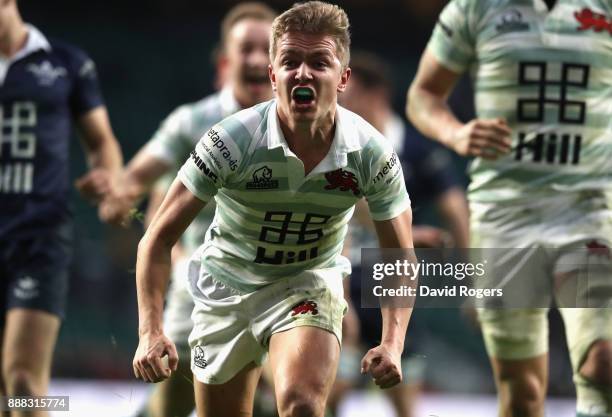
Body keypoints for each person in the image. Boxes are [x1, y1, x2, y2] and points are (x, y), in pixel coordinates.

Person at [132, 2, 415, 417]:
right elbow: (156, 239)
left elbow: (399, 257)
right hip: (225, 287)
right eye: (290, 61)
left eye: (320, 62)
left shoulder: (372, 153)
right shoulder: (230, 141)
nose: (303, 73)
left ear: (343, 78)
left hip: (306, 284)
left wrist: (392, 342)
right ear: (273, 75)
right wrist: (150, 332)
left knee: (302, 404)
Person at [407, 1, 612, 416]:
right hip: (504, 215)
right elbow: (422, 95)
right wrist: (457, 134)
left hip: (587, 208)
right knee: (522, 393)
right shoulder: (474, 9)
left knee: (604, 362)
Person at [98, 3, 277, 417]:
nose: (253, 59)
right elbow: (139, 173)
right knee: (173, 399)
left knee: (300, 391)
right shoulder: (193, 122)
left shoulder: (301, 124)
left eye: (262, 49)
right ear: (226, 60)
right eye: (244, 49)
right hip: (201, 285)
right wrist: (120, 193)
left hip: (279, 282)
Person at [329, 50, 469, 417]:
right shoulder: (336, 145)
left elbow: (455, 208)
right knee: (328, 390)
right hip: (345, 278)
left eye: (350, 95)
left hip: (394, 285)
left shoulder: (416, 150)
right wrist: (408, 231)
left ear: (376, 96)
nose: (341, 103)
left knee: (402, 391)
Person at [0, 0, 122, 414]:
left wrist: (107, 176)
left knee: (23, 385)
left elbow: (102, 142)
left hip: (38, 235)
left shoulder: (66, 63)